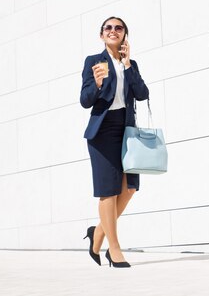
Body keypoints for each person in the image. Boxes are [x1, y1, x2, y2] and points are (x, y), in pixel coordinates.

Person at [80, 16, 149, 268]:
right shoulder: (93, 62)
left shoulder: (131, 64)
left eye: (118, 28)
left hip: (126, 129)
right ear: (102, 35)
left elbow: (142, 94)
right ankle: (114, 248)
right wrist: (97, 83)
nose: (113, 31)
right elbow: (85, 100)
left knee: (129, 188)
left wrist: (128, 65)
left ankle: (97, 233)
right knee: (108, 192)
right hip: (103, 130)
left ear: (124, 35)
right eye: (108, 28)